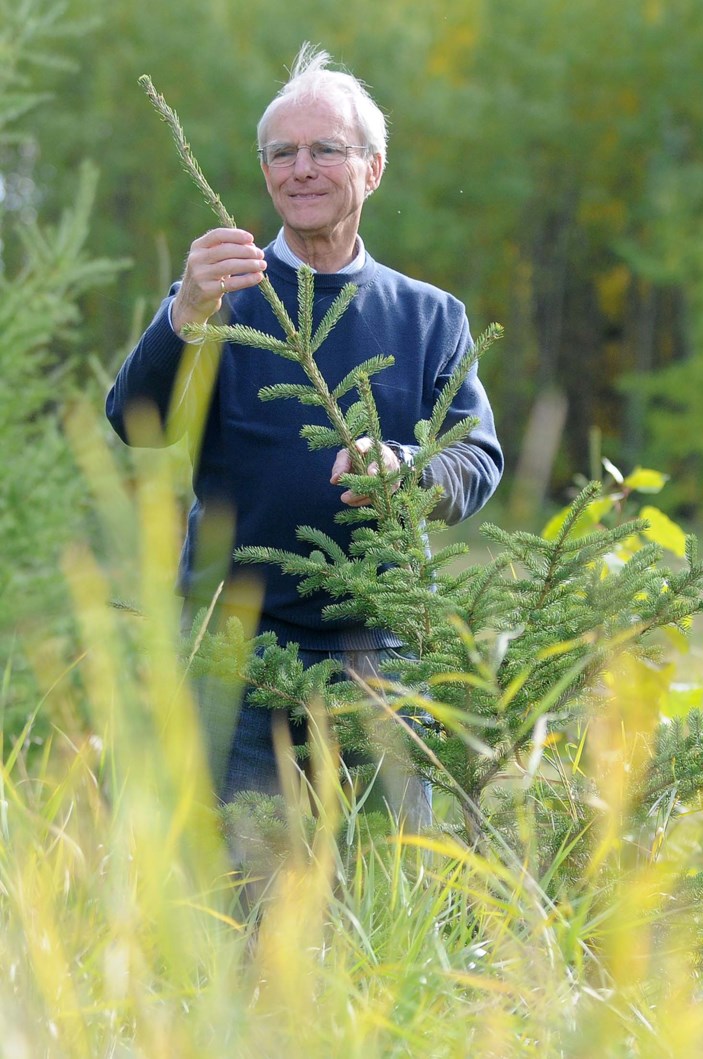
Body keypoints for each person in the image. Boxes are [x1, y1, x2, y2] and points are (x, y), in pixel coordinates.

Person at [105, 44, 503, 827]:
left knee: (385, 881)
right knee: (238, 889)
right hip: (234, 649)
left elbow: (476, 456)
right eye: (281, 153)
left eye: (326, 149)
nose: (302, 169)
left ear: (374, 169)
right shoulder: (224, 295)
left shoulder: (430, 316)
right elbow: (134, 420)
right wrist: (183, 312)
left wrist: (406, 467)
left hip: (379, 653)